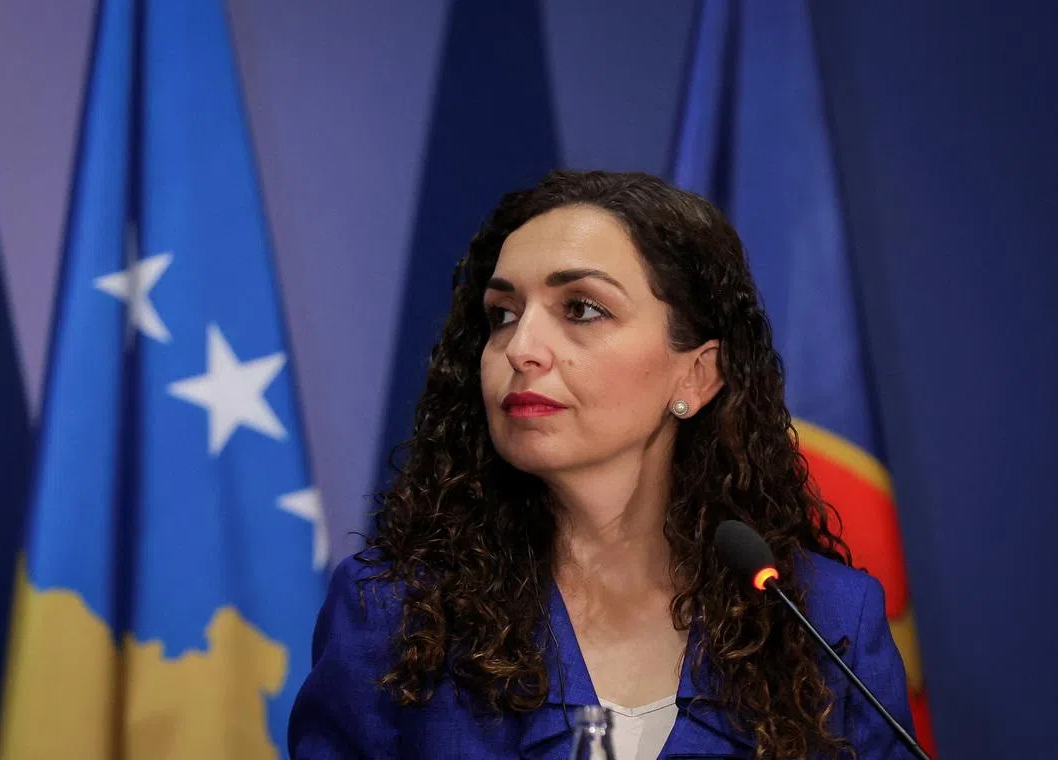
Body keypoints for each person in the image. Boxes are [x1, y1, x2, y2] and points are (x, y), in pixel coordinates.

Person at [287, 170, 915, 759]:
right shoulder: (395, 612)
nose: (521, 349)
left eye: (582, 309)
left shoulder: (826, 621)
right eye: (502, 315)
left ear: (696, 375)